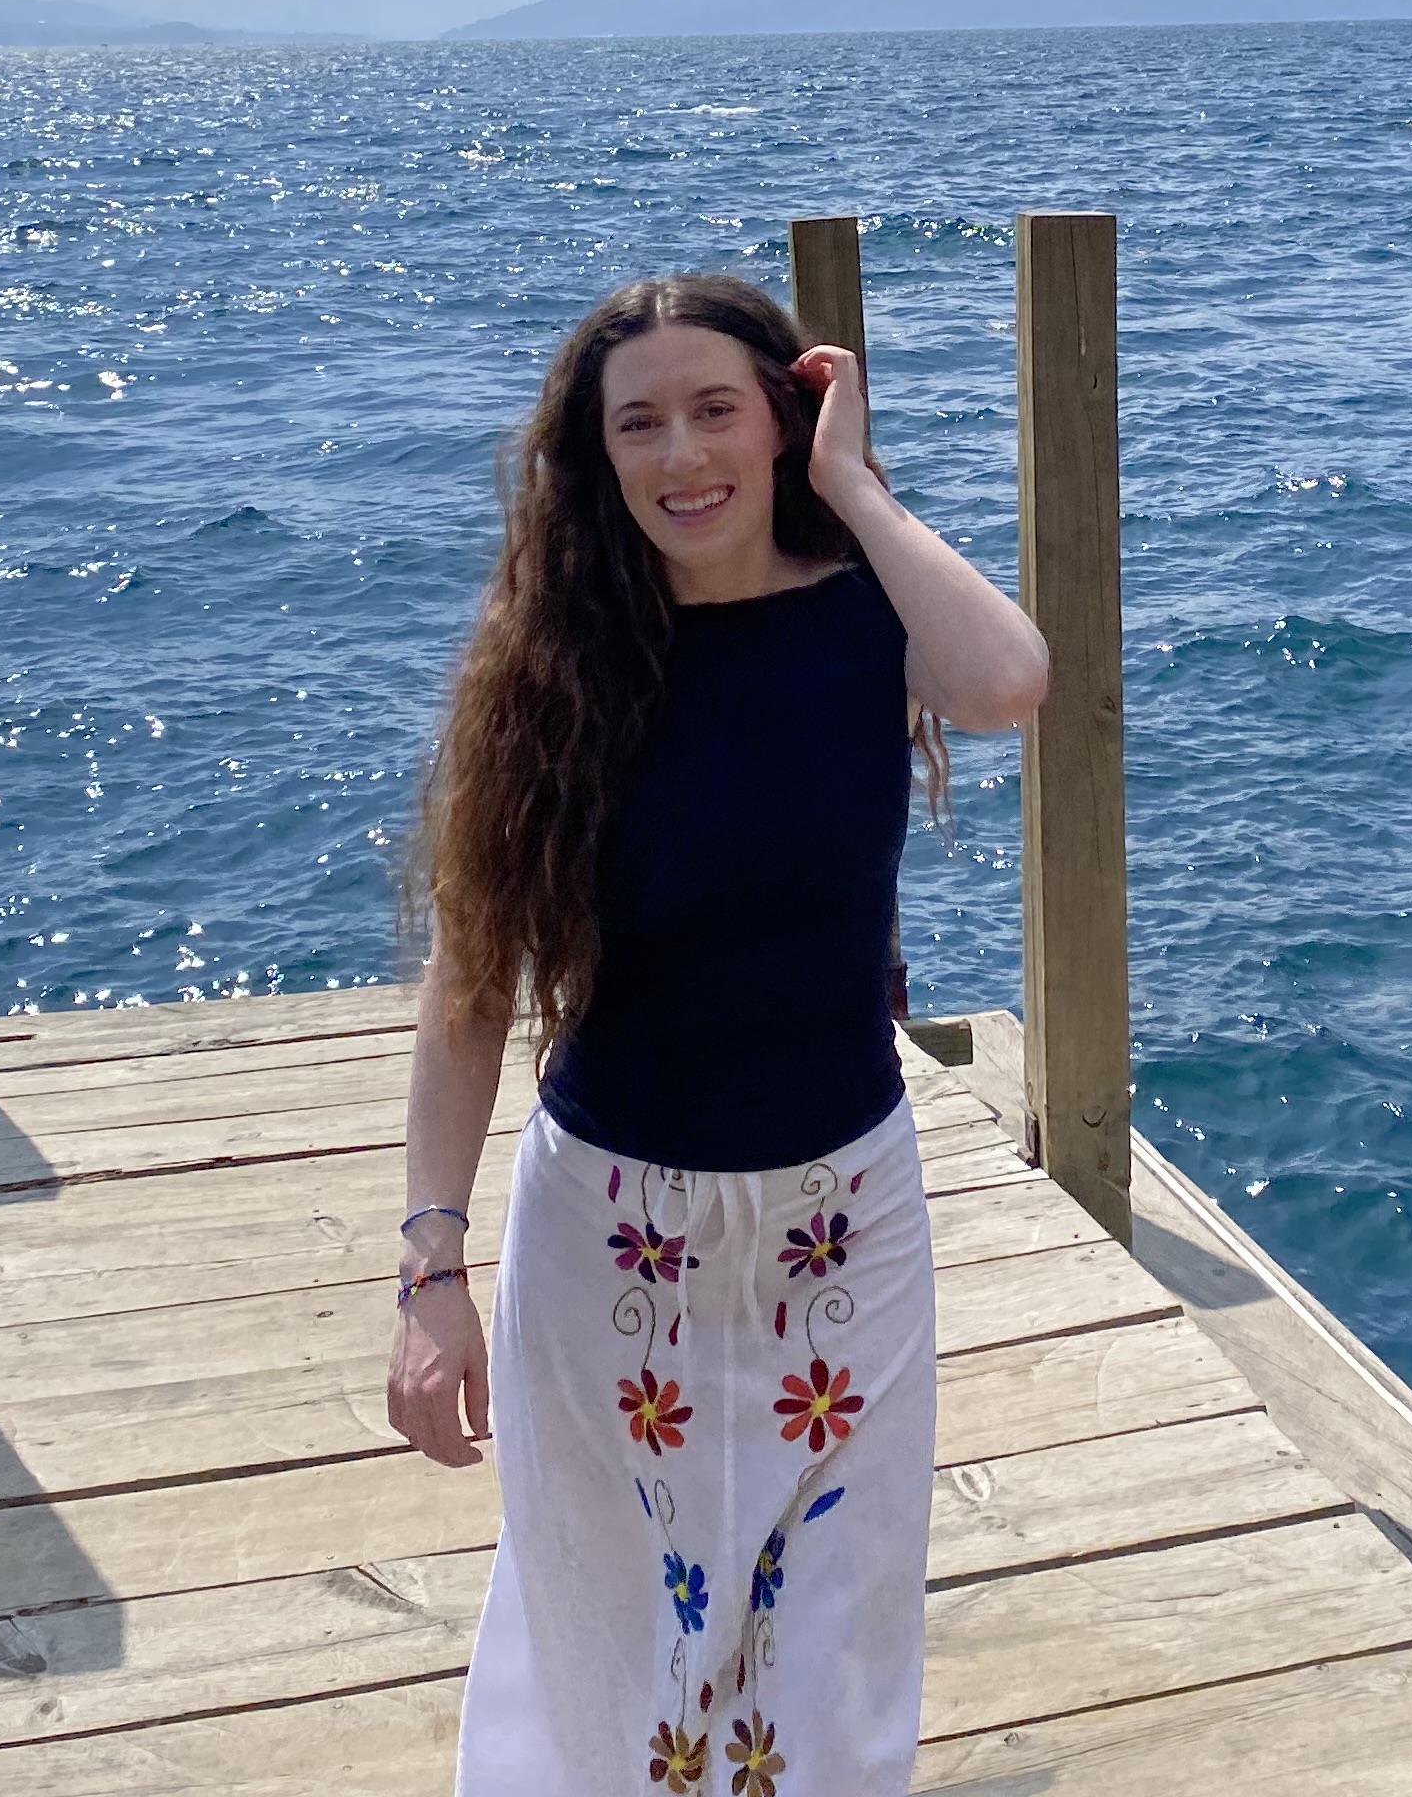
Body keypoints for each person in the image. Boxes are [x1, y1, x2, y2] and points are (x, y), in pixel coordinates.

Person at [390, 271, 1050, 1797]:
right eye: (640, 424)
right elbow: (469, 991)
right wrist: (431, 1273)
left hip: (846, 1215)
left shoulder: (870, 615)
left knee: (839, 1626)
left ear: (780, 423)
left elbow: (1011, 681)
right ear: (597, 455)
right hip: (614, 1227)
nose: (683, 455)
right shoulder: (552, 665)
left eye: (716, 411)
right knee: (605, 1625)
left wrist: (855, 487)